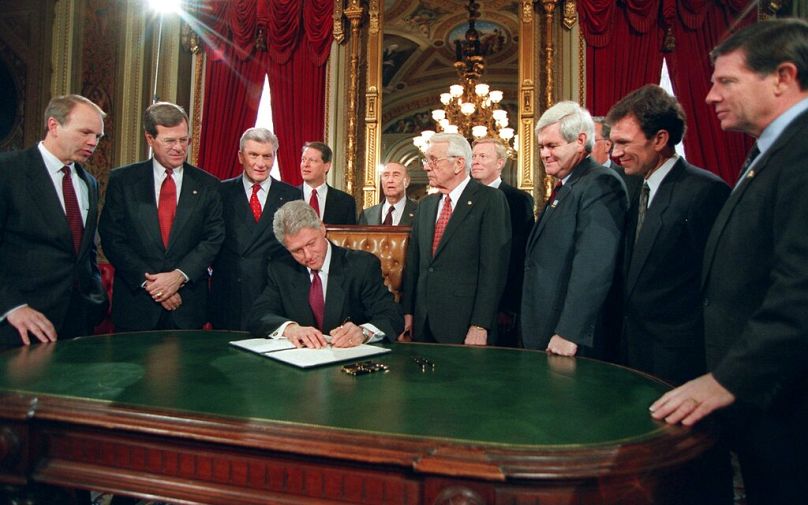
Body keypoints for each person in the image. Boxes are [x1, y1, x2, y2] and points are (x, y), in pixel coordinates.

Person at [650, 19, 808, 505]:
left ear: (782, 77)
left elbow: (800, 290)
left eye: (726, 81)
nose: (710, 96)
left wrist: (727, 379)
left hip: (784, 397)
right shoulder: (771, 151)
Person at [607, 84, 730, 385]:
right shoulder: (636, 187)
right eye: (612, 143)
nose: (615, 153)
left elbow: (720, 288)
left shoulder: (705, 192)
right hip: (632, 352)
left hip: (679, 361)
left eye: (624, 143)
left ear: (660, 139)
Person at [99, 102, 224, 331]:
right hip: (137, 306)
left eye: (183, 139)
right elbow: (112, 238)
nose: (179, 147)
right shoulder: (123, 181)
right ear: (150, 138)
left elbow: (213, 238)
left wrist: (178, 277)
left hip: (187, 305)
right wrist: (153, 284)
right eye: (169, 141)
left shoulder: (209, 185)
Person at [0, 94, 108, 349]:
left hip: (77, 323)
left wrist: (95, 298)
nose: (92, 143)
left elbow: (84, 252)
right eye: (85, 132)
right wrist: (11, 307)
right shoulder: (8, 171)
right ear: (53, 126)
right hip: (18, 325)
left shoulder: (88, 182)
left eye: (98, 137)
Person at [522, 101, 627, 358]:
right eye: (541, 147)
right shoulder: (568, 184)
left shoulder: (600, 183)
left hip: (568, 339)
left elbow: (594, 266)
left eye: (552, 146)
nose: (544, 154)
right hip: (545, 326)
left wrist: (570, 332)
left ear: (580, 141)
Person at [400, 132, 511, 345]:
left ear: (459, 164)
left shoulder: (490, 200)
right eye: (426, 160)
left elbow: (494, 269)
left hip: (464, 323)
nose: (426, 166)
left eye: (433, 160)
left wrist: (480, 324)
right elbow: (415, 265)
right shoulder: (425, 205)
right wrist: (409, 313)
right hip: (423, 323)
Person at [246, 200, 402, 347]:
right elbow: (259, 315)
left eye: (311, 244)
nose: (308, 256)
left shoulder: (362, 265)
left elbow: (392, 316)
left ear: (322, 228)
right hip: (299, 365)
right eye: (297, 250)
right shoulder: (281, 269)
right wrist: (290, 329)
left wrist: (363, 332)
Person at [209, 127, 302, 330]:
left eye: (267, 156)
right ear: (241, 157)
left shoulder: (291, 195)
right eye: (254, 155)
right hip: (229, 293)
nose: (261, 164)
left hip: (272, 293)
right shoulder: (220, 191)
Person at [470, 137, 534, 347]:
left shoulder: (517, 200)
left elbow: (517, 256)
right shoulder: (466, 198)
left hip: (501, 306)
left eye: (483, 156)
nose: (475, 161)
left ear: (500, 163)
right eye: (473, 156)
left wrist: (507, 307)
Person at [299, 141, 356, 224]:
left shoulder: (345, 202)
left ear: (326, 166)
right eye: (303, 160)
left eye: (312, 160)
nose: (305, 164)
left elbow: (350, 236)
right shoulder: (289, 197)